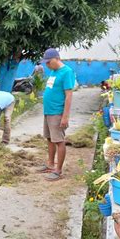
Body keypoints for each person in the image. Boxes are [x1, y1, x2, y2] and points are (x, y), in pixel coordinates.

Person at [36, 48, 75, 181]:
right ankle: (50, 164)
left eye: (49, 62)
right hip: (48, 111)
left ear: (57, 58)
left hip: (57, 112)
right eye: (45, 62)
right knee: (49, 138)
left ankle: (58, 170)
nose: (47, 65)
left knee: (59, 140)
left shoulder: (67, 72)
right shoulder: (53, 71)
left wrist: (65, 116)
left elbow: (69, 95)